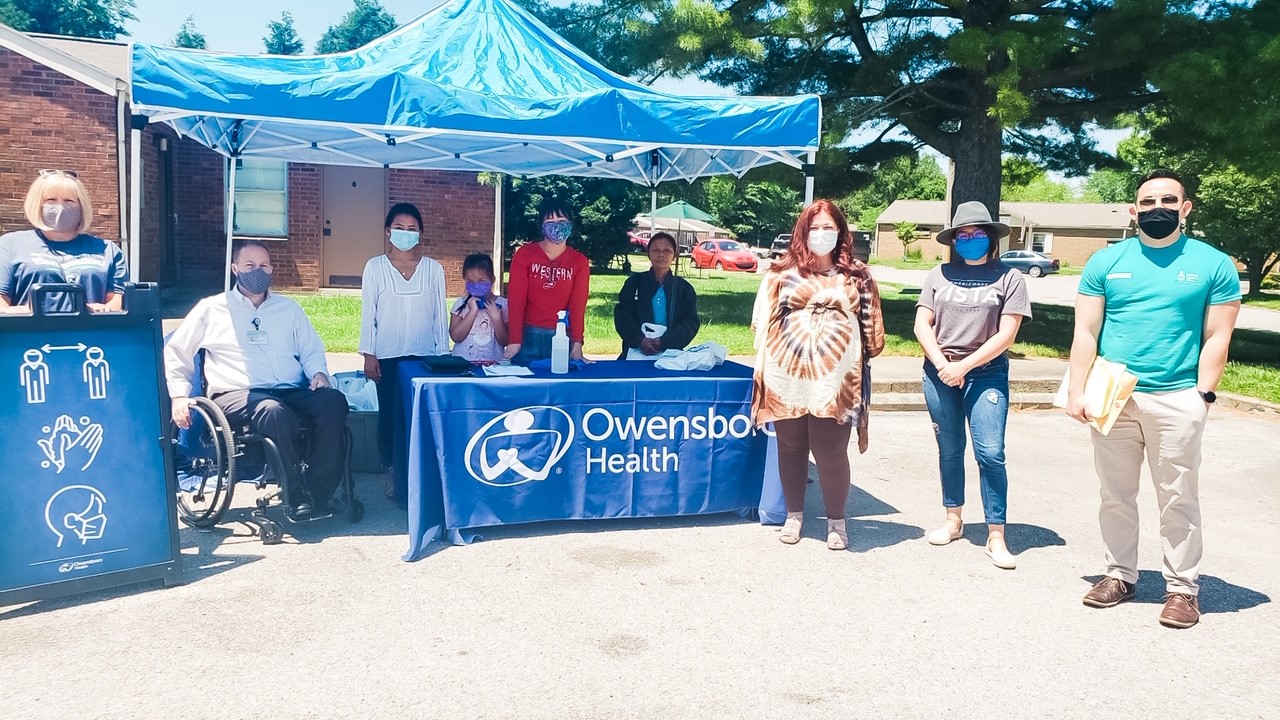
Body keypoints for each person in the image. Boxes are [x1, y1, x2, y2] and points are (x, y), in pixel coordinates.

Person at [1069, 169, 1240, 629]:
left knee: (1178, 496)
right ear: (1133, 211)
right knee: (1115, 494)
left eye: (1168, 200)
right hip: (1113, 395)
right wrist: (1076, 388)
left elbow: (1218, 335)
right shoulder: (1106, 262)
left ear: (1185, 208)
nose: (1156, 208)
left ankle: (1183, 589)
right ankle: (1119, 575)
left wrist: (1202, 394)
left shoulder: (1213, 263)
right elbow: (1086, 331)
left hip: (1177, 397)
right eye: (1147, 202)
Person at [166, 241, 348, 519]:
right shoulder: (212, 309)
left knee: (333, 401)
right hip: (235, 395)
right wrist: (179, 394)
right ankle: (294, 494)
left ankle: (318, 492)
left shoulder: (288, 309)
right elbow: (177, 350)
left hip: (288, 390)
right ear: (235, 268)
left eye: (263, 266)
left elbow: (311, 348)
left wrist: (319, 374)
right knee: (271, 410)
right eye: (250, 266)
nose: (257, 271)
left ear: (272, 269)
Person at [751, 199, 885, 550]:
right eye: (815, 228)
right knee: (791, 448)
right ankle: (794, 516)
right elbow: (760, 324)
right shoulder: (779, 274)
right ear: (802, 232)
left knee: (831, 452)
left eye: (829, 227)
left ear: (841, 231)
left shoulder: (858, 275)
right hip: (786, 378)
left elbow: (873, 334)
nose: (821, 234)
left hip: (835, 381)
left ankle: (837, 523)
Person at [914, 201, 1031, 570]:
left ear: (991, 238)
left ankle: (996, 534)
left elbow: (1007, 333)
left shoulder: (1010, 278)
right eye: (962, 235)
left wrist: (964, 365)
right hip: (939, 371)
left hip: (987, 373)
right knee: (949, 449)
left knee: (990, 452)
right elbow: (922, 325)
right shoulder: (939, 275)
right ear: (953, 241)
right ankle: (953, 519)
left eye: (977, 234)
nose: (969, 240)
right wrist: (942, 365)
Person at [358, 202, 448, 496]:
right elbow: (367, 313)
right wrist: (369, 354)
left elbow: (439, 316)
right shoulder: (375, 267)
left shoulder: (433, 270)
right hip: (387, 356)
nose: (405, 234)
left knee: (420, 416)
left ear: (420, 233)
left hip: (424, 358)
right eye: (399, 228)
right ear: (388, 231)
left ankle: (421, 473)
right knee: (390, 417)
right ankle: (393, 473)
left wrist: (442, 357)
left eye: (412, 229)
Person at [0, 170, 126, 314]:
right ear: (37, 204)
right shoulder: (9, 246)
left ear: (81, 206)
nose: (60, 208)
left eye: (69, 201)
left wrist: (102, 310)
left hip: (89, 334)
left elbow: (118, 302)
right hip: (31, 334)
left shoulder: (108, 250)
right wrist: (22, 311)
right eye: (51, 200)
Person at [503, 201, 590, 365]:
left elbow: (578, 306)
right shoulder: (525, 255)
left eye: (561, 221)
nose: (556, 225)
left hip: (562, 335)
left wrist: (577, 343)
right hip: (528, 335)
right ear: (541, 226)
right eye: (550, 221)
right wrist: (515, 340)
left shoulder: (579, 261)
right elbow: (516, 300)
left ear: (570, 225)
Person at [613, 232, 700, 359]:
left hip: (670, 354)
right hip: (635, 353)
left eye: (667, 250)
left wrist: (664, 342)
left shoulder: (684, 289)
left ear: (674, 255)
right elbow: (623, 316)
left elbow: (690, 322)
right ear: (648, 254)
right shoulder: (635, 282)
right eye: (656, 250)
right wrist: (640, 340)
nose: (661, 254)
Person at [451, 253, 509, 362]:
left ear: (492, 279)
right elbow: (456, 337)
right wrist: (472, 311)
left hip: (493, 366)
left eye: (481, 281)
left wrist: (497, 318)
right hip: (462, 364)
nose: (476, 285)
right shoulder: (460, 303)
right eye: (470, 282)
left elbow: (505, 341)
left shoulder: (504, 305)